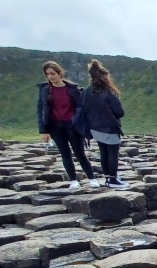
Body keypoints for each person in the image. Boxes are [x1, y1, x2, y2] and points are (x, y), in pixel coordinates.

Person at [37, 61, 99, 189]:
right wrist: (43, 130)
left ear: (60, 73)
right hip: (55, 127)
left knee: (80, 153)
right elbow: (40, 110)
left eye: (53, 73)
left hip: (73, 126)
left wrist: (87, 125)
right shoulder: (44, 90)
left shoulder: (73, 88)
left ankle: (92, 178)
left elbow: (83, 107)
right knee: (65, 154)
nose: (50, 76)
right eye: (47, 74)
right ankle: (73, 181)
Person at [82, 60, 127, 189]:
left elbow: (83, 108)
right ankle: (113, 179)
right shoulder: (108, 92)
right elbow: (120, 112)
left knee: (103, 153)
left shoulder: (86, 92)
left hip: (94, 128)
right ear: (104, 76)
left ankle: (108, 178)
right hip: (109, 128)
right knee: (112, 154)